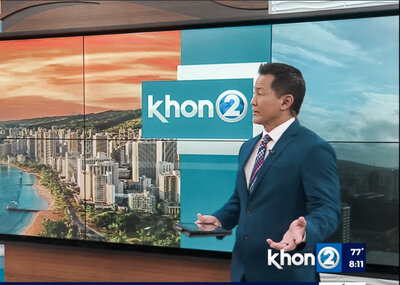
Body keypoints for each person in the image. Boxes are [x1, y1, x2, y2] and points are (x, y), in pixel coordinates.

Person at [196, 63, 340, 282]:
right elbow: (242, 201)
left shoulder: (313, 149)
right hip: (243, 272)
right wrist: (219, 219)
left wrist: (305, 230)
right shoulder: (248, 147)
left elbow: (328, 210)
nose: (252, 101)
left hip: (286, 275)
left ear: (286, 101)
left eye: (260, 94)